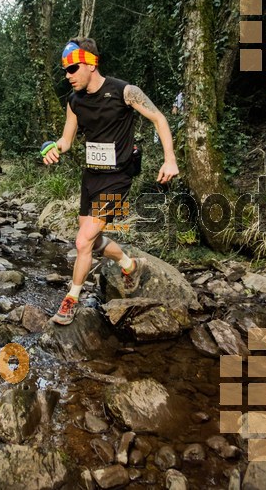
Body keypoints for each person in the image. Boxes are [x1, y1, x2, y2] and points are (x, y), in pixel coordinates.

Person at [42, 38, 180, 325]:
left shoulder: (125, 92)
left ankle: (71, 300)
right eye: (65, 70)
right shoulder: (74, 101)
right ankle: (129, 265)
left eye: (73, 68)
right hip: (91, 177)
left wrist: (170, 159)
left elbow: (159, 119)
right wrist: (53, 148)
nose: (67, 75)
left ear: (91, 63)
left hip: (118, 177)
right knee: (90, 242)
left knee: (82, 241)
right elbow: (67, 141)